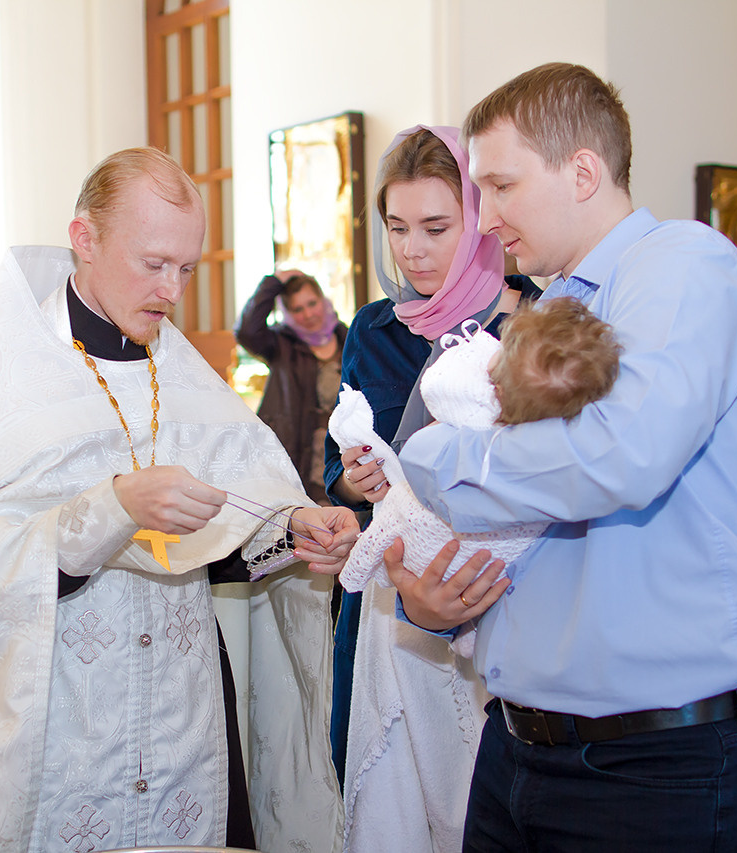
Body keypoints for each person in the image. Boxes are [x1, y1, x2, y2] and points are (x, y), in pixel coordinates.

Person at [0, 148, 358, 853]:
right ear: (84, 239)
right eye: (154, 263)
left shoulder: (183, 375)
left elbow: (233, 522)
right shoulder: (16, 379)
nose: (172, 290)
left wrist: (295, 525)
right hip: (60, 720)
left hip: (187, 718)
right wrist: (115, 505)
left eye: (186, 269)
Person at [393, 63, 737, 851]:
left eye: (501, 186)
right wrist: (433, 600)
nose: (485, 219)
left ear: (582, 172)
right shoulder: (556, 304)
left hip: (655, 760)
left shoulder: (683, 264)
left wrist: (439, 459)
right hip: (518, 743)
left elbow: (618, 456)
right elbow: (531, 521)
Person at [324, 125, 537, 853]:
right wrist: (352, 479)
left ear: (480, 221)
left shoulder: (534, 323)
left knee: (486, 805)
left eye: (437, 228)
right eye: (397, 226)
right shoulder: (375, 329)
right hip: (391, 600)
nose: (412, 249)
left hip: (495, 601)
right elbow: (340, 459)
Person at [334, 298, 620, 658]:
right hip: (467, 606)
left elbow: (421, 449)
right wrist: (352, 482)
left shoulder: (487, 404)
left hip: (499, 607)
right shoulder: (372, 327)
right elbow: (341, 473)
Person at [236, 269, 348, 505]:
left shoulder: (348, 337)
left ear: (323, 299)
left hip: (343, 452)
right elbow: (247, 331)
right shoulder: (281, 343)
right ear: (287, 313)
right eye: (297, 309)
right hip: (297, 452)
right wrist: (273, 282)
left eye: (312, 303)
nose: (308, 314)